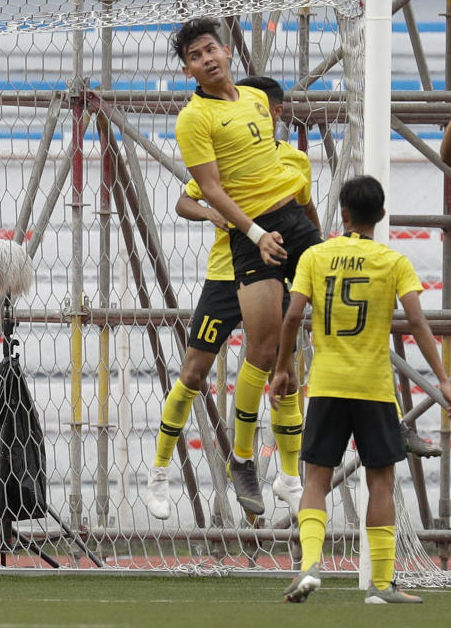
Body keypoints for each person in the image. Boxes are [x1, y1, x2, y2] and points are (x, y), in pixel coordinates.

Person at [146, 76, 318, 519]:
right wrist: (214, 216)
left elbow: (306, 207)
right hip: (226, 275)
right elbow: (187, 200)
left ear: (272, 113)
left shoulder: (293, 162)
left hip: (275, 271)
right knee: (193, 373)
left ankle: (287, 475)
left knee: (280, 367)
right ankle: (160, 470)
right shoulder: (223, 157)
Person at [274, 176, 451, 604]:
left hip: (328, 384)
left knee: (314, 477)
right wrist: (443, 378)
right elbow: (418, 324)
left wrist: (282, 368)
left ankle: (310, 565)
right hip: (373, 387)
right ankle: (382, 584)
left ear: (344, 214)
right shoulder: (394, 262)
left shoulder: (316, 256)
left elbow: (294, 315)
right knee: (383, 481)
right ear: (382, 216)